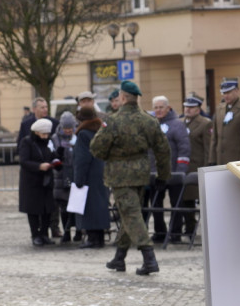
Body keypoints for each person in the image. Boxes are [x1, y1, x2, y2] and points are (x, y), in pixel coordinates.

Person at [89, 80, 171, 275]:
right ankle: (119, 257)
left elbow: (96, 148)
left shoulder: (114, 121)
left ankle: (149, 258)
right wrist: (163, 176)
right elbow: (163, 150)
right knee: (130, 213)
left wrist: (110, 156)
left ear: (123, 98)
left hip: (120, 176)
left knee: (132, 215)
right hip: (141, 174)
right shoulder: (149, 121)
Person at [148, 96, 190, 243]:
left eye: (161, 107)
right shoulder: (152, 124)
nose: (158, 110)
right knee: (156, 205)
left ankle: (175, 233)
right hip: (155, 174)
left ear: (168, 108)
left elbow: (184, 149)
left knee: (176, 205)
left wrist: (180, 171)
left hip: (174, 173)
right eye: (156, 108)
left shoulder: (177, 125)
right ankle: (160, 232)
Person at [71, 107, 110, 248]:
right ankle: (99, 238)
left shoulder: (83, 135)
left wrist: (78, 180)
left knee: (89, 207)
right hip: (101, 173)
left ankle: (92, 238)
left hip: (89, 175)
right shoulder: (99, 131)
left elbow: (82, 159)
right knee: (99, 205)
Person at [177, 94, 213, 241]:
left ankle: (205, 229)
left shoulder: (205, 123)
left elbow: (208, 147)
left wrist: (207, 167)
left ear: (198, 109)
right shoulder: (180, 123)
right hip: (183, 168)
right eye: (186, 107)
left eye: (191, 108)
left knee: (200, 200)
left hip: (197, 166)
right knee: (185, 201)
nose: (188, 110)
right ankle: (189, 228)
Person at [19, 118, 59, 247]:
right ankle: (35, 235)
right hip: (31, 181)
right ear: (36, 132)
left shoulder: (49, 142)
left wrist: (57, 161)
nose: (45, 136)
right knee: (34, 210)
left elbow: (52, 155)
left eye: (47, 134)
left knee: (47, 209)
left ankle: (44, 234)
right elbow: (24, 161)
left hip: (46, 180)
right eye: (43, 134)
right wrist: (39, 166)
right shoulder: (27, 142)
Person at [51, 112, 78, 243]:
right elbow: (53, 155)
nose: (68, 131)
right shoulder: (55, 138)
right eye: (66, 128)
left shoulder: (77, 136)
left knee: (77, 206)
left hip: (75, 174)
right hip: (60, 177)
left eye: (70, 128)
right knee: (64, 207)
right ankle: (66, 232)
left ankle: (79, 231)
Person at [211, 78, 240, 165]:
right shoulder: (220, 109)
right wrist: (212, 159)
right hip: (220, 160)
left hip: (236, 158)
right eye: (224, 93)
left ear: (237, 91)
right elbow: (214, 137)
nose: (226, 96)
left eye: (228, 93)